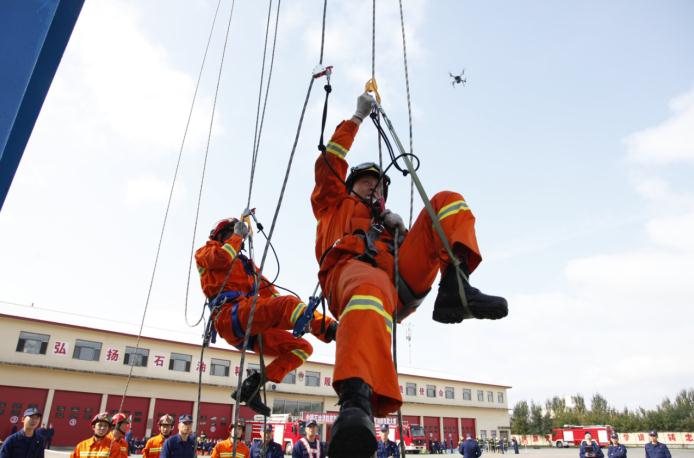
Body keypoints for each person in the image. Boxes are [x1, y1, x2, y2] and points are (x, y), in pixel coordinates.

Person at [313, 92, 508, 457]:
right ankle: (355, 402)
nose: (375, 186)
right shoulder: (332, 204)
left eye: (381, 184)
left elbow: (418, 242)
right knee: (369, 288)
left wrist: (400, 234)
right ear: (350, 184)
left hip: (397, 281)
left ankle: (456, 288)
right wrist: (356, 118)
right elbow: (329, 163)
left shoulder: (388, 225)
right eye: (368, 181)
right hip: (349, 275)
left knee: (447, 202)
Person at [196, 217, 338, 416]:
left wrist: (298, 317)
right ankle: (331, 329)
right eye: (233, 233)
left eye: (240, 236)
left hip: (248, 321)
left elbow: (272, 296)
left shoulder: (248, 267)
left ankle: (254, 383)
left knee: (302, 347)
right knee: (288, 305)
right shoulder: (206, 251)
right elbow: (221, 258)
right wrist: (237, 235)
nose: (239, 239)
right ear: (220, 235)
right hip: (229, 314)